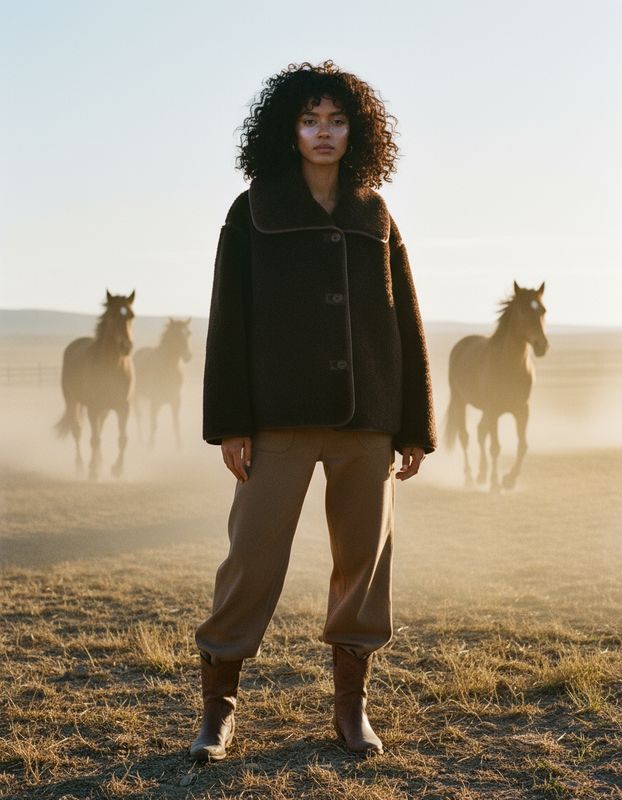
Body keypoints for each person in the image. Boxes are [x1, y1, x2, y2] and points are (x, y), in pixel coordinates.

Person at [191, 60, 436, 761]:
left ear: (356, 130)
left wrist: (414, 423)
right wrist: (230, 423)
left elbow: (404, 321)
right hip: (277, 418)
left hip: (369, 421)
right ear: (287, 129)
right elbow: (227, 321)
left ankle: (349, 711)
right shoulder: (253, 208)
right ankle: (217, 713)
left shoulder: (375, 212)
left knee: (363, 564)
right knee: (251, 561)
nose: (322, 133)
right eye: (309, 120)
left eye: (335, 120)